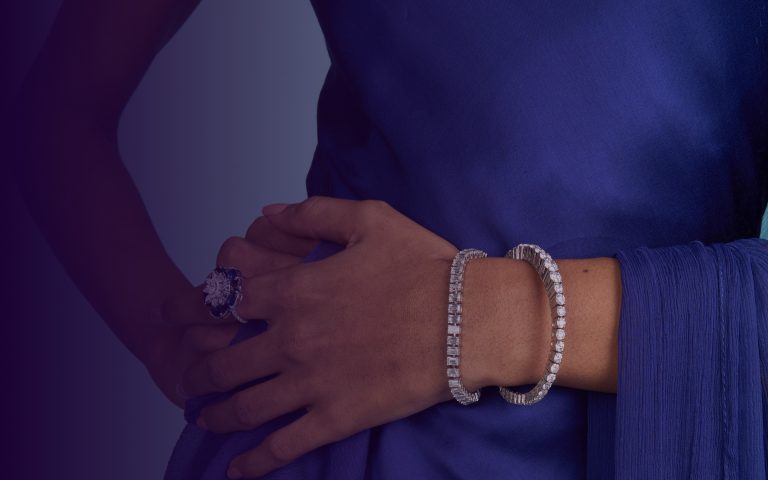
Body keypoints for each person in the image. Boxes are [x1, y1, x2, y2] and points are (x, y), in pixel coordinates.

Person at [9, 0, 768, 479]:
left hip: (663, 439)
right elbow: (60, 115)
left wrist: (480, 318)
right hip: (337, 446)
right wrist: (171, 344)